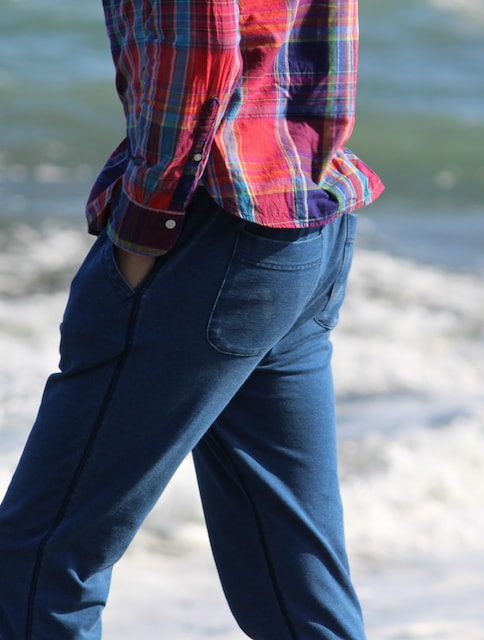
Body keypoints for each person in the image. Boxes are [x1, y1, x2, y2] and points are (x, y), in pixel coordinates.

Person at [0, 0, 383, 638]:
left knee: (39, 559)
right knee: (295, 580)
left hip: (207, 233)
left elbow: (197, 57)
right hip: (306, 216)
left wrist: (143, 231)